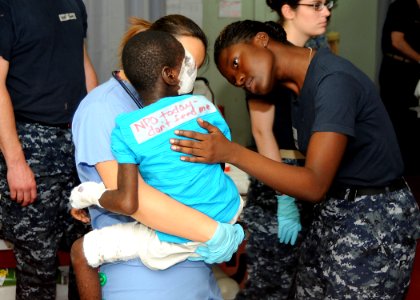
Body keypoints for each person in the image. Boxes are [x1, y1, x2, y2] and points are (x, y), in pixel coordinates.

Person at [169, 20, 420, 299]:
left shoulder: (333, 81)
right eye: (231, 78)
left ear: (261, 39)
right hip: (333, 211)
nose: (238, 79)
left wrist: (231, 152)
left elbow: (314, 183)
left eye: (237, 63)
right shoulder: (299, 90)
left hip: (375, 218)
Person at [71, 15, 244, 300]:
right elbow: (138, 200)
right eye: (187, 63)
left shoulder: (180, 108)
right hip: (141, 270)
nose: (189, 74)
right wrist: (216, 231)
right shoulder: (102, 109)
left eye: (196, 68)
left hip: (195, 263)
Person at [0, 0, 97, 299]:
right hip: (31, 146)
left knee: (89, 254)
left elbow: (83, 65)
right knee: (38, 267)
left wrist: (98, 138)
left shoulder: (73, 3)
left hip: (76, 144)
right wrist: (16, 163)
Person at [237, 1, 333, 298]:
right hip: (279, 176)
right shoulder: (267, 57)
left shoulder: (320, 56)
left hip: (317, 175)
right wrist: (284, 198)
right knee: (270, 284)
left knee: (313, 282)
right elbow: (262, 131)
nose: (325, 11)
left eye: (328, 4)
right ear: (287, 9)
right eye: (315, 5)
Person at [379, 0, 420, 176]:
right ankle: (391, 171)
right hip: (395, 72)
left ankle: (409, 170)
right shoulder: (401, 6)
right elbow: (396, 41)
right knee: (394, 121)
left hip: (414, 73)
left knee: (412, 123)